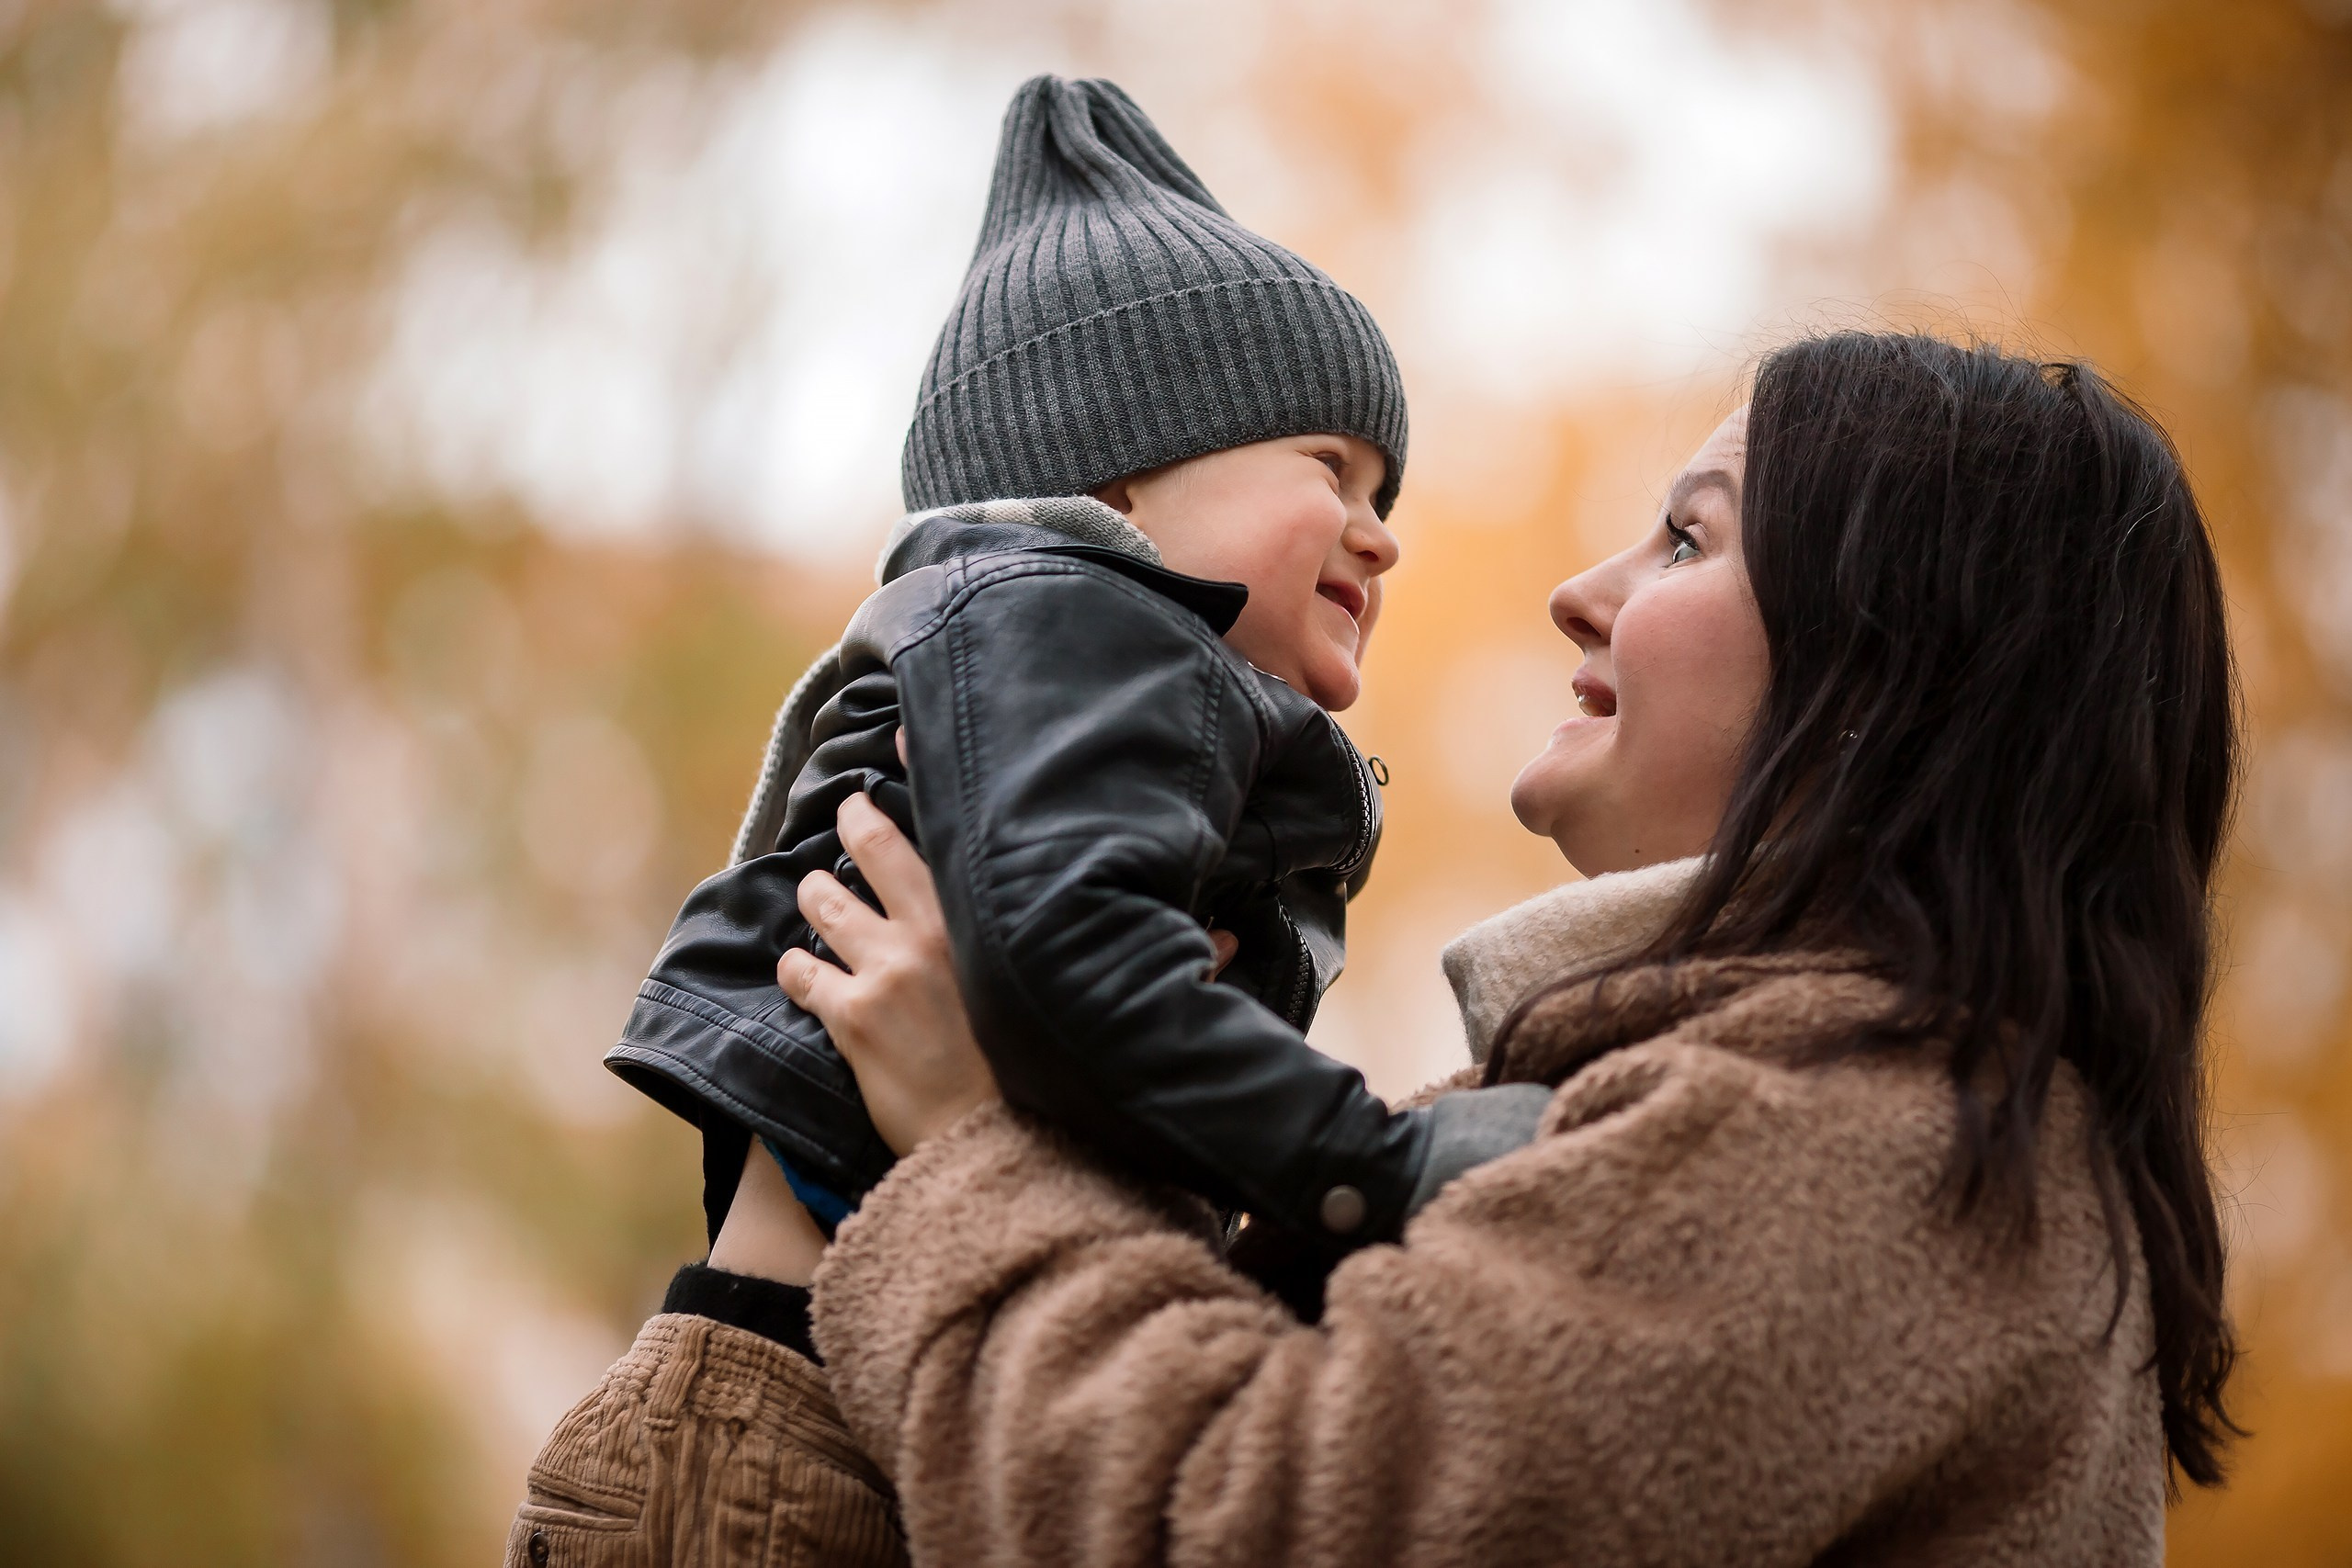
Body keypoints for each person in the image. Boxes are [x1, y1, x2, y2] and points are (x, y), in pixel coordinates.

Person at [771, 332, 2242, 1565]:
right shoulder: (1841, 1120)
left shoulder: (1866, 1150)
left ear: (1895, 668)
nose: (1579, 590)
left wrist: (970, 1147)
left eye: (1687, 538)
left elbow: (1255, 1526)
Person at [507, 74, 1544, 1568]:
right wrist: (1368, 1167)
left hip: (826, 1407)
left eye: (1388, 487)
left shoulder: (1055, 686)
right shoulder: (1071, 620)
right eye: (1331, 469)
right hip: (781, 1443)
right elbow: (1066, 957)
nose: (1385, 531)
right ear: (1115, 481)